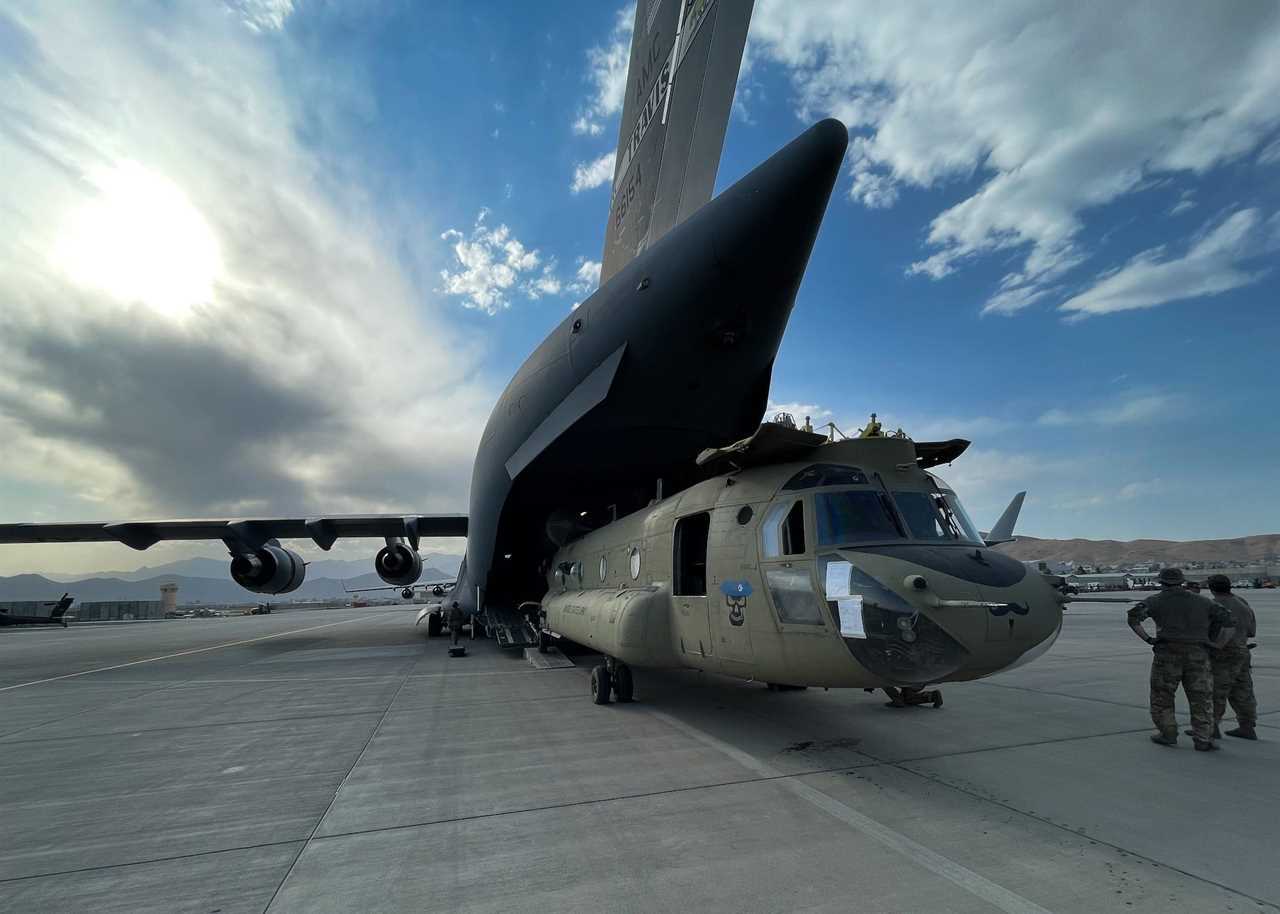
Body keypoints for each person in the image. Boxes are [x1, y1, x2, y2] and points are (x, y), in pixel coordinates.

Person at [1128, 566, 1233, 751]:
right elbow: (1229, 622)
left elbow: (1133, 618)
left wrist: (1148, 639)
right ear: (1182, 581)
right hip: (1198, 655)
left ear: (1161, 582)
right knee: (1201, 698)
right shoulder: (1203, 601)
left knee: (1162, 696)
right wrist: (1217, 644)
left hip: (1167, 653)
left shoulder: (1155, 601)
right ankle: (1203, 739)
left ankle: (1168, 733)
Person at [1201, 574, 1258, 740]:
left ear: (1211, 588)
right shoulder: (1243, 603)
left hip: (1222, 652)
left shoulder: (1213, 605)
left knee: (1216, 690)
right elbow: (1251, 631)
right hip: (1242, 650)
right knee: (1243, 690)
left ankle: (1212, 727)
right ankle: (1247, 726)